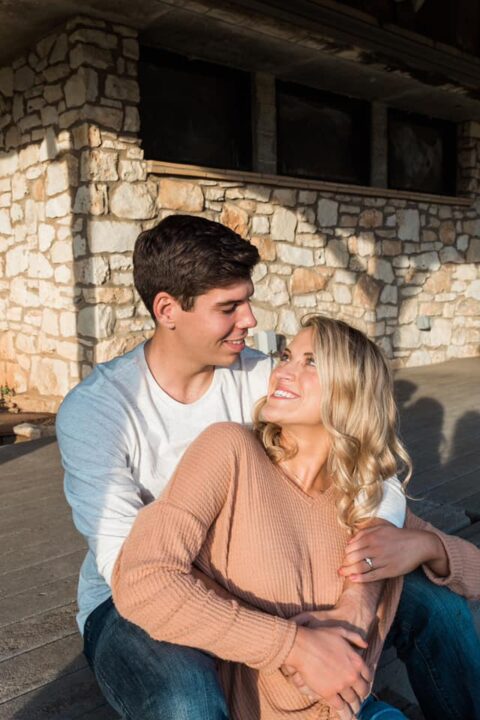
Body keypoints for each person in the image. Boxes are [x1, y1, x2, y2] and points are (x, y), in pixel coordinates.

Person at [56, 215, 478, 720]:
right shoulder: (97, 410)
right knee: (185, 699)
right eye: (229, 307)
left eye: (248, 300)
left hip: (275, 568)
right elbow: (133, 569)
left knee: (440, 610)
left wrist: (358, 598)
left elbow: (366, 469)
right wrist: (292, 640)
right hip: (129, 599)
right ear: (168, 309)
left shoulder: (264, 375)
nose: (250, 320)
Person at [111, 315, 480, 720]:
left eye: (311, 362)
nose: (283, 370)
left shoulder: (364, 498)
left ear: (351, 393)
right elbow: (142, 577)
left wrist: (428, 547)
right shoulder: (229, 452)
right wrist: (294, 645)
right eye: (286, 356)